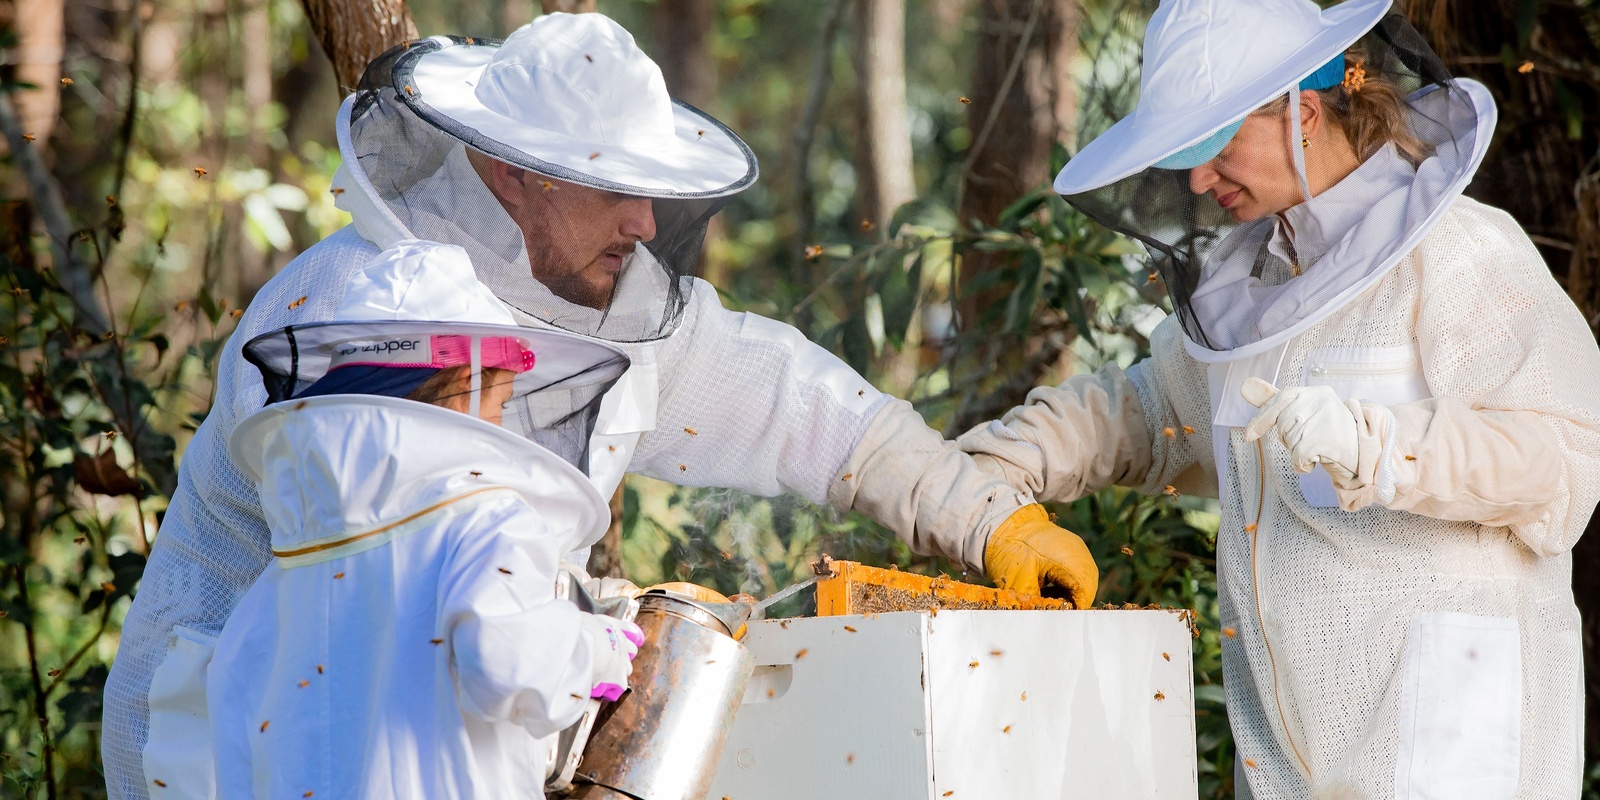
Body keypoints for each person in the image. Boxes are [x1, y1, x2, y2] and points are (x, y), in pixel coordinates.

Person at [104, 13, 1098, 798]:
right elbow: (406, 591)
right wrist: (604, 626)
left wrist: (983, 514)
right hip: (229, 751)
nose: (644, 219)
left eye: (650, 187)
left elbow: (798, 402)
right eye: (613, 186)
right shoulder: (360, 319)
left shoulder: (593, 298)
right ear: (511, 172)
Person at [934, 1, 1600, 797]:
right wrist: (989, 466)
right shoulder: (1250, 286)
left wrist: (1383, 448)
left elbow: (1567, 463)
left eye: (1212, 147)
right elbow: (1146, 414)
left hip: (1449, 748)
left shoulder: (1461, 253)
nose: (1195, 179)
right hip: (1288, 764)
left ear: (1304, 112)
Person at [208, 241, 643, 798]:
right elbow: (505, 660)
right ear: (465, 390)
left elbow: (233, 715)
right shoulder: (486, 519)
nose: (502, 424)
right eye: (500, 405)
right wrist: (596, 645)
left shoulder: (292, 562)